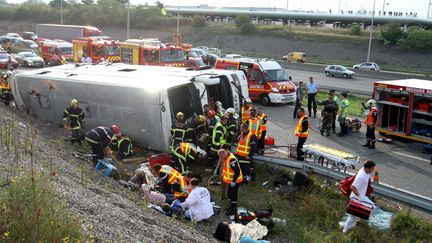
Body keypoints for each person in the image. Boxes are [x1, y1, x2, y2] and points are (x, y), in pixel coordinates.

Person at [343, 160, 376, 233]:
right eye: (372, 168)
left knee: (354, 215)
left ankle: (355, 223)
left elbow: (365, 164)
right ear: (368, 168)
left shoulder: (364, 171)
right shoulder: (361, 176)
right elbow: (352, 187)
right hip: (357, 197)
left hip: (360, 196)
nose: (373, 170)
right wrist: (360, 196)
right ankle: (346, 230)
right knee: (371, 207)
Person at [218, 147, 243, 215]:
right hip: (230, 181)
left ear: (223, 154)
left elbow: (237, 171)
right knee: (229, 193)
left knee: (233, 194)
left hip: (236, 180)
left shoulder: (231, 159)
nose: (221, 159)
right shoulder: (227, 157)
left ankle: (233, 209)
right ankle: (231, 206)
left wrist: (233, 181)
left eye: (221, 157)